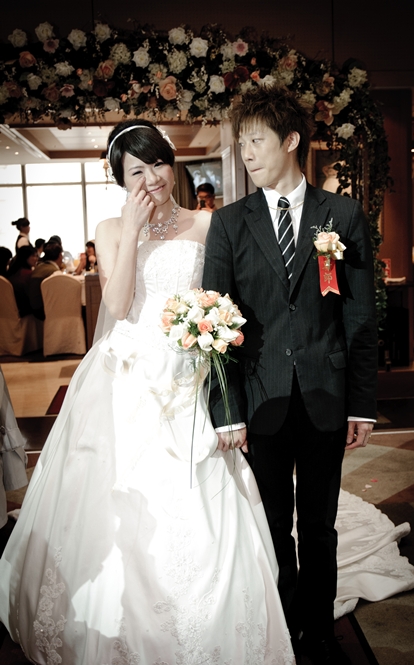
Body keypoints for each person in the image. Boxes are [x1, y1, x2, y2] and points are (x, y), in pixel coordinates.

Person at [0, 119, 296, 664]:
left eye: (158, 164)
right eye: (136, 171)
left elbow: (227, 297)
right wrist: (133, 229)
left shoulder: (208, 223)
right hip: (130, 374)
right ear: (120, 179)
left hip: (190, 374)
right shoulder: (111, 228)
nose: (151, 179)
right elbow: (116, 307)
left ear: (171, 164)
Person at [202, 85, 379, 663]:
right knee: (273, 523)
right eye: (242, 142)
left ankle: (319, 631)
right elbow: (214, 325)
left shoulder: (342, 215)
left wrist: (361, 403)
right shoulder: (229, 224)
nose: (247, 153)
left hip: (326, 393)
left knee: (320, 525)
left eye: (256, 140)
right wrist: (227, 411)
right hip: (261, 397)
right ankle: (281, 629)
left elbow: (359, 316)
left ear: (291, 140)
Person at [28, 241, 63, 320]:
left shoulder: (39, 267)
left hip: (34, 307)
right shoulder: (54, 272)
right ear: (60, 256)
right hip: (44, 310)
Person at [6, 245, 39, 317]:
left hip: (12, 311)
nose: (36, 259)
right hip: (26, 312)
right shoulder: (28, 274)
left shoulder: (13, 271)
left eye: (37, 256)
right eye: (33, 256)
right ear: (25, 257)